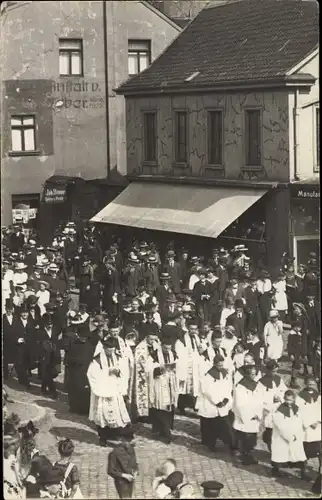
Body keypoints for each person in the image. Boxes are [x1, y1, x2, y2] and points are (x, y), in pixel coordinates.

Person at [87, 337, 132, 446]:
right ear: (104, 348)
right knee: (101, 416)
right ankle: (102, 437)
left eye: (112, 349)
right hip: (102, 392)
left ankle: (115, 435)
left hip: (114, 391)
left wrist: (119, 373)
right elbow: (92, 375)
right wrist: (107, 373)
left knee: (116, 415)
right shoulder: (96, 361)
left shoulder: (117, 357)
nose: (111, 352)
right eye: (108, 349)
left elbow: (124, 372)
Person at [196, 354, 236, 454]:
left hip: (224, 403)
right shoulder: (209, 375)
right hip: (212, 404)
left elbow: (229, 386)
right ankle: (211, 445)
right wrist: (217, 401)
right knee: (211, 426)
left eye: (222, 365)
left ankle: (232, 445)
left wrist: (227, 399)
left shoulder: (225, 373)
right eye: (219, 365)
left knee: (227, 425)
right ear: (214, 364)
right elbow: (206, 390)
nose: (221, 367)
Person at [271, 389, 308, 480]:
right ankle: (276, 470)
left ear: (294, 399)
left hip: (296, 436)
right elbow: (280, 425)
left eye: (291, 400)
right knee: (280, 454)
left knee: (299, 455)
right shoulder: (279, 410)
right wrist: (289, 436)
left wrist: (299, 432)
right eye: (287, 400)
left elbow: (300, 420)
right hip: (282, 436)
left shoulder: (297, 409)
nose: (288, 402)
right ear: (284, 398)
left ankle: (303, 473)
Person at [149, 335, 178, 443]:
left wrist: (173, 368)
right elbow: (148, 369)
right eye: (165, 348)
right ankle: (166, 432)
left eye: (169, 348)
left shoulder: (173, 354)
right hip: (159, 383)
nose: (167, 351)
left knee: (169, 407)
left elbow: (177, 365)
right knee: (160, 407)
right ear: (161, 346)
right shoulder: (154, 355)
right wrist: (160, 369)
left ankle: (163, 430)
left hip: (170, 383)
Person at [232, 365, 262, 465]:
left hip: (255, 416)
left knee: (252, 438)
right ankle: (245, 456)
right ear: (246, 374)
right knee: (245, 438)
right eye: (251, 374)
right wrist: (249, 415)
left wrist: (258, 414)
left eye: (255, 374)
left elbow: (259, 400)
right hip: (245, 416)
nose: (253, 376)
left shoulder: (256, 385)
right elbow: (240, 404)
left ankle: (249, 454)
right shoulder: (240, 387)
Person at [257, 360, 287, 452]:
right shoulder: (261, 382)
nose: (275, 373)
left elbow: (284, 391)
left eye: (276, 371)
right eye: (273, 371)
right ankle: (272, 450)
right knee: (269, 432)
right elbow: (259, 397)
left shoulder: (279, 380)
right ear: (267, 370)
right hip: (268, 410)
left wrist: (280, 398)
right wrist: (271, 400)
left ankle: (278, 450)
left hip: (278, 408)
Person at [65, 326, 95, 415]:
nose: (84, 338)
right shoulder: (74, 344)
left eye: (85, 337)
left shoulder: (89, 345)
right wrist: (76, 361)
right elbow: (69, 359)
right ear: (78, 336)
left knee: (85, 391)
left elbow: (92, 357)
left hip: (87, 371)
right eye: (82, 337)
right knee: (75, 390)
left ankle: (85, 409)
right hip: (76, 371)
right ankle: (74, 407)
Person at [296, 376, 321, 466]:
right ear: (305, 384)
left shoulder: (318, 396)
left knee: (319, 450)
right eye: (309, 384)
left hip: (317, 427)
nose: (311, 386)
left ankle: (320, 471)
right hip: (306, 427)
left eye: (313, 384)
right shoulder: (300, 397)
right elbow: (299, 412)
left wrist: (318, 421)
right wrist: (309, 423)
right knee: (306, 450)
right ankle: (303, 470)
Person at [107, 427, 138, 500]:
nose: (129, 443)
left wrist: (136, 471)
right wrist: (124, 475)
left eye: (130, 440)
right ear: (120, 439)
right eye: (126, 441)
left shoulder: (131, 449)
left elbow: (134, 463)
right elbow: (110, 471)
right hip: (121, 482)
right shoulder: (114, 453)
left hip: (131, 480)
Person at [37, 313, 61, 398]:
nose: (50, 326)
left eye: (51, 324)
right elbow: (38, 345)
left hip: (53, 356)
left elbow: (56, 342)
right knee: (47, 373)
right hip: (44, 357)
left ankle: (43, 388)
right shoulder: (40, 332)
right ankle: (53, 391)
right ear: (44, 324)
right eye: (48, 324)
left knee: (52, 373)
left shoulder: (54, 330)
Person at [287, 320, 308, 389]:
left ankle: (293, 380)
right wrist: (291, 354)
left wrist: (302, 353)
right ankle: (293, 381)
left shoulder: (298, 334)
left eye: (300, 327)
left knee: (297, 366)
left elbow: (300, 344)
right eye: (298, 327)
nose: (299, 328)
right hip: (294, 353)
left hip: (298, 353)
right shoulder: (291, 334)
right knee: (296, 366)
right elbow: (289, 345)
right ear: (294, 327)